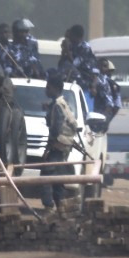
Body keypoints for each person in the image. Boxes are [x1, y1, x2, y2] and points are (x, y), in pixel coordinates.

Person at [40, 73, 79, 211]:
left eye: (48, 87)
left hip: (58, 144)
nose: (46, 90)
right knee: (58, 176)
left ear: (55, 88)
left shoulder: (57, 105)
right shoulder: (61, 103)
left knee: (46, 175)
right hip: (65, 145)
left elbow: (55, 130)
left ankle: (49, 207)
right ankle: (61, 206)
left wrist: (48, 149)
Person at [59, 24, 100, 106]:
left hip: (85, 84)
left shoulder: (84, 47)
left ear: (75, 36)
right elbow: (61, 65)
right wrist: (64, 51)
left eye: (69, 36)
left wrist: (67, 50)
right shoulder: (72, 46)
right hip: (70, 84)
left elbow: (75, 64)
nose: (68, 39)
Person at [96, 58, 123, 126]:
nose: (110, 73)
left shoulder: (110, 84)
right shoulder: (97, 80)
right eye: (109, 71)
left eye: (111, 71)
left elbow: (115, 105)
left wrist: (106, 120)